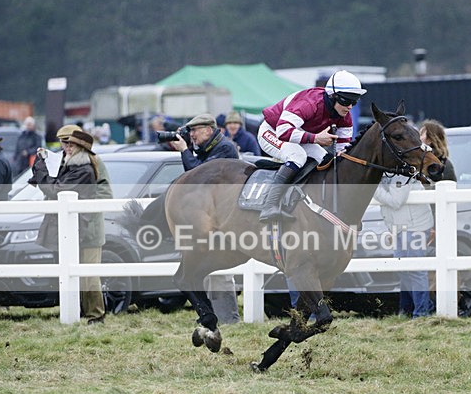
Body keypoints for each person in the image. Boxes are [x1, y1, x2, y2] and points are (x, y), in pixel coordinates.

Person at [257, 69, 365, 221]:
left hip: (298, 134)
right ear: (332, 96)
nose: (350, 107)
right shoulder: (309, 103)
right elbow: (283, 131)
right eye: (346, 101)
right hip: (273, 130)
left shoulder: (345, 117)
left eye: (354, 102)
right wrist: (315, 138)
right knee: (298, 156)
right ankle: (269, 205)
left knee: (326, 160)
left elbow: (342, 151)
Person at [166, 113, 241, 323]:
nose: (192, 135)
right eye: (189, 131)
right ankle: (214, 317)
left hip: (224, 220)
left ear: (209, 130)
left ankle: (229, 319)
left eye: (195, 131)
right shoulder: (209, 148)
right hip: (214, 218)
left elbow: (197, 176)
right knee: (205, 271)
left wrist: (184, 150)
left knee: (220, 273)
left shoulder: (225, 149)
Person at [31, 129, 108, 324]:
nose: (66, 147)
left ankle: (96, 315)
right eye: (64, 143)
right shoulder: (69, 164)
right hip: (74, 227)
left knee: (89, 275)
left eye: (70, 144)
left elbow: (56, 189)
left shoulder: (85, 167)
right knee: (73, 274)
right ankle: (80, 313)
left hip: (88, 228)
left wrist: (40, 168)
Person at [374, 175, 434, 318]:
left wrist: (373, 188)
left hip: (415, 226)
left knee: (416, 270)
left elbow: (396, 201)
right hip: (400, 227)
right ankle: (423, 306)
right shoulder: (387, 173)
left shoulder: (402, 172)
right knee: (402, 269)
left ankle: (421, 314)